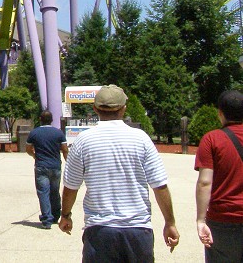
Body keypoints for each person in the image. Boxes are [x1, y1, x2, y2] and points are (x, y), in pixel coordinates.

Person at [58, 84, 180, 261]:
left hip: (100, 231)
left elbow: (71, 186)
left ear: (95, 108)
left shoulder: (83, 141)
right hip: (138, 230)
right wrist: (170, 222)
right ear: (123, 109)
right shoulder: (141, 139)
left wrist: (65, 215)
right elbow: (159, 185)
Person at [195, 89, 243, 262]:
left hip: (223, 218)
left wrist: (201, 219)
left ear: (220, 113)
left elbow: (205, 183)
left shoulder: (211, 139)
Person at [26, 110, 69, 229]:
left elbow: (28, 149)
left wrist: (35, 156)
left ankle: (46, 220)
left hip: (41, 166)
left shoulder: (34, 133)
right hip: (55, 166)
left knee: (43, 192)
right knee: (54, 192)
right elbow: (65, 149)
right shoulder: (58, 133)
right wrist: (68, 163)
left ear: (40, 119)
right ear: (51, 120)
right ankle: (55, 215)